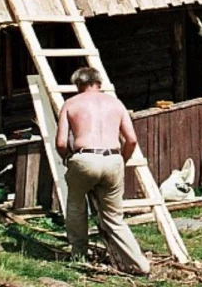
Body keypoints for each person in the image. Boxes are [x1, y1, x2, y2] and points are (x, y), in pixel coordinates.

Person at [56, 67, 150, 274]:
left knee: (76, 206)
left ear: (78, 84)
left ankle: (79, 254)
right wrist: (121, 161)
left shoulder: (71, 104)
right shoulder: (116, 104)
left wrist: (68, 159)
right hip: (113, 158)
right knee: (115, 218)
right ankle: (139, 264)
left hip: (85, 158)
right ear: (99, 83)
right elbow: (132, 140)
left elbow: (61, 142)